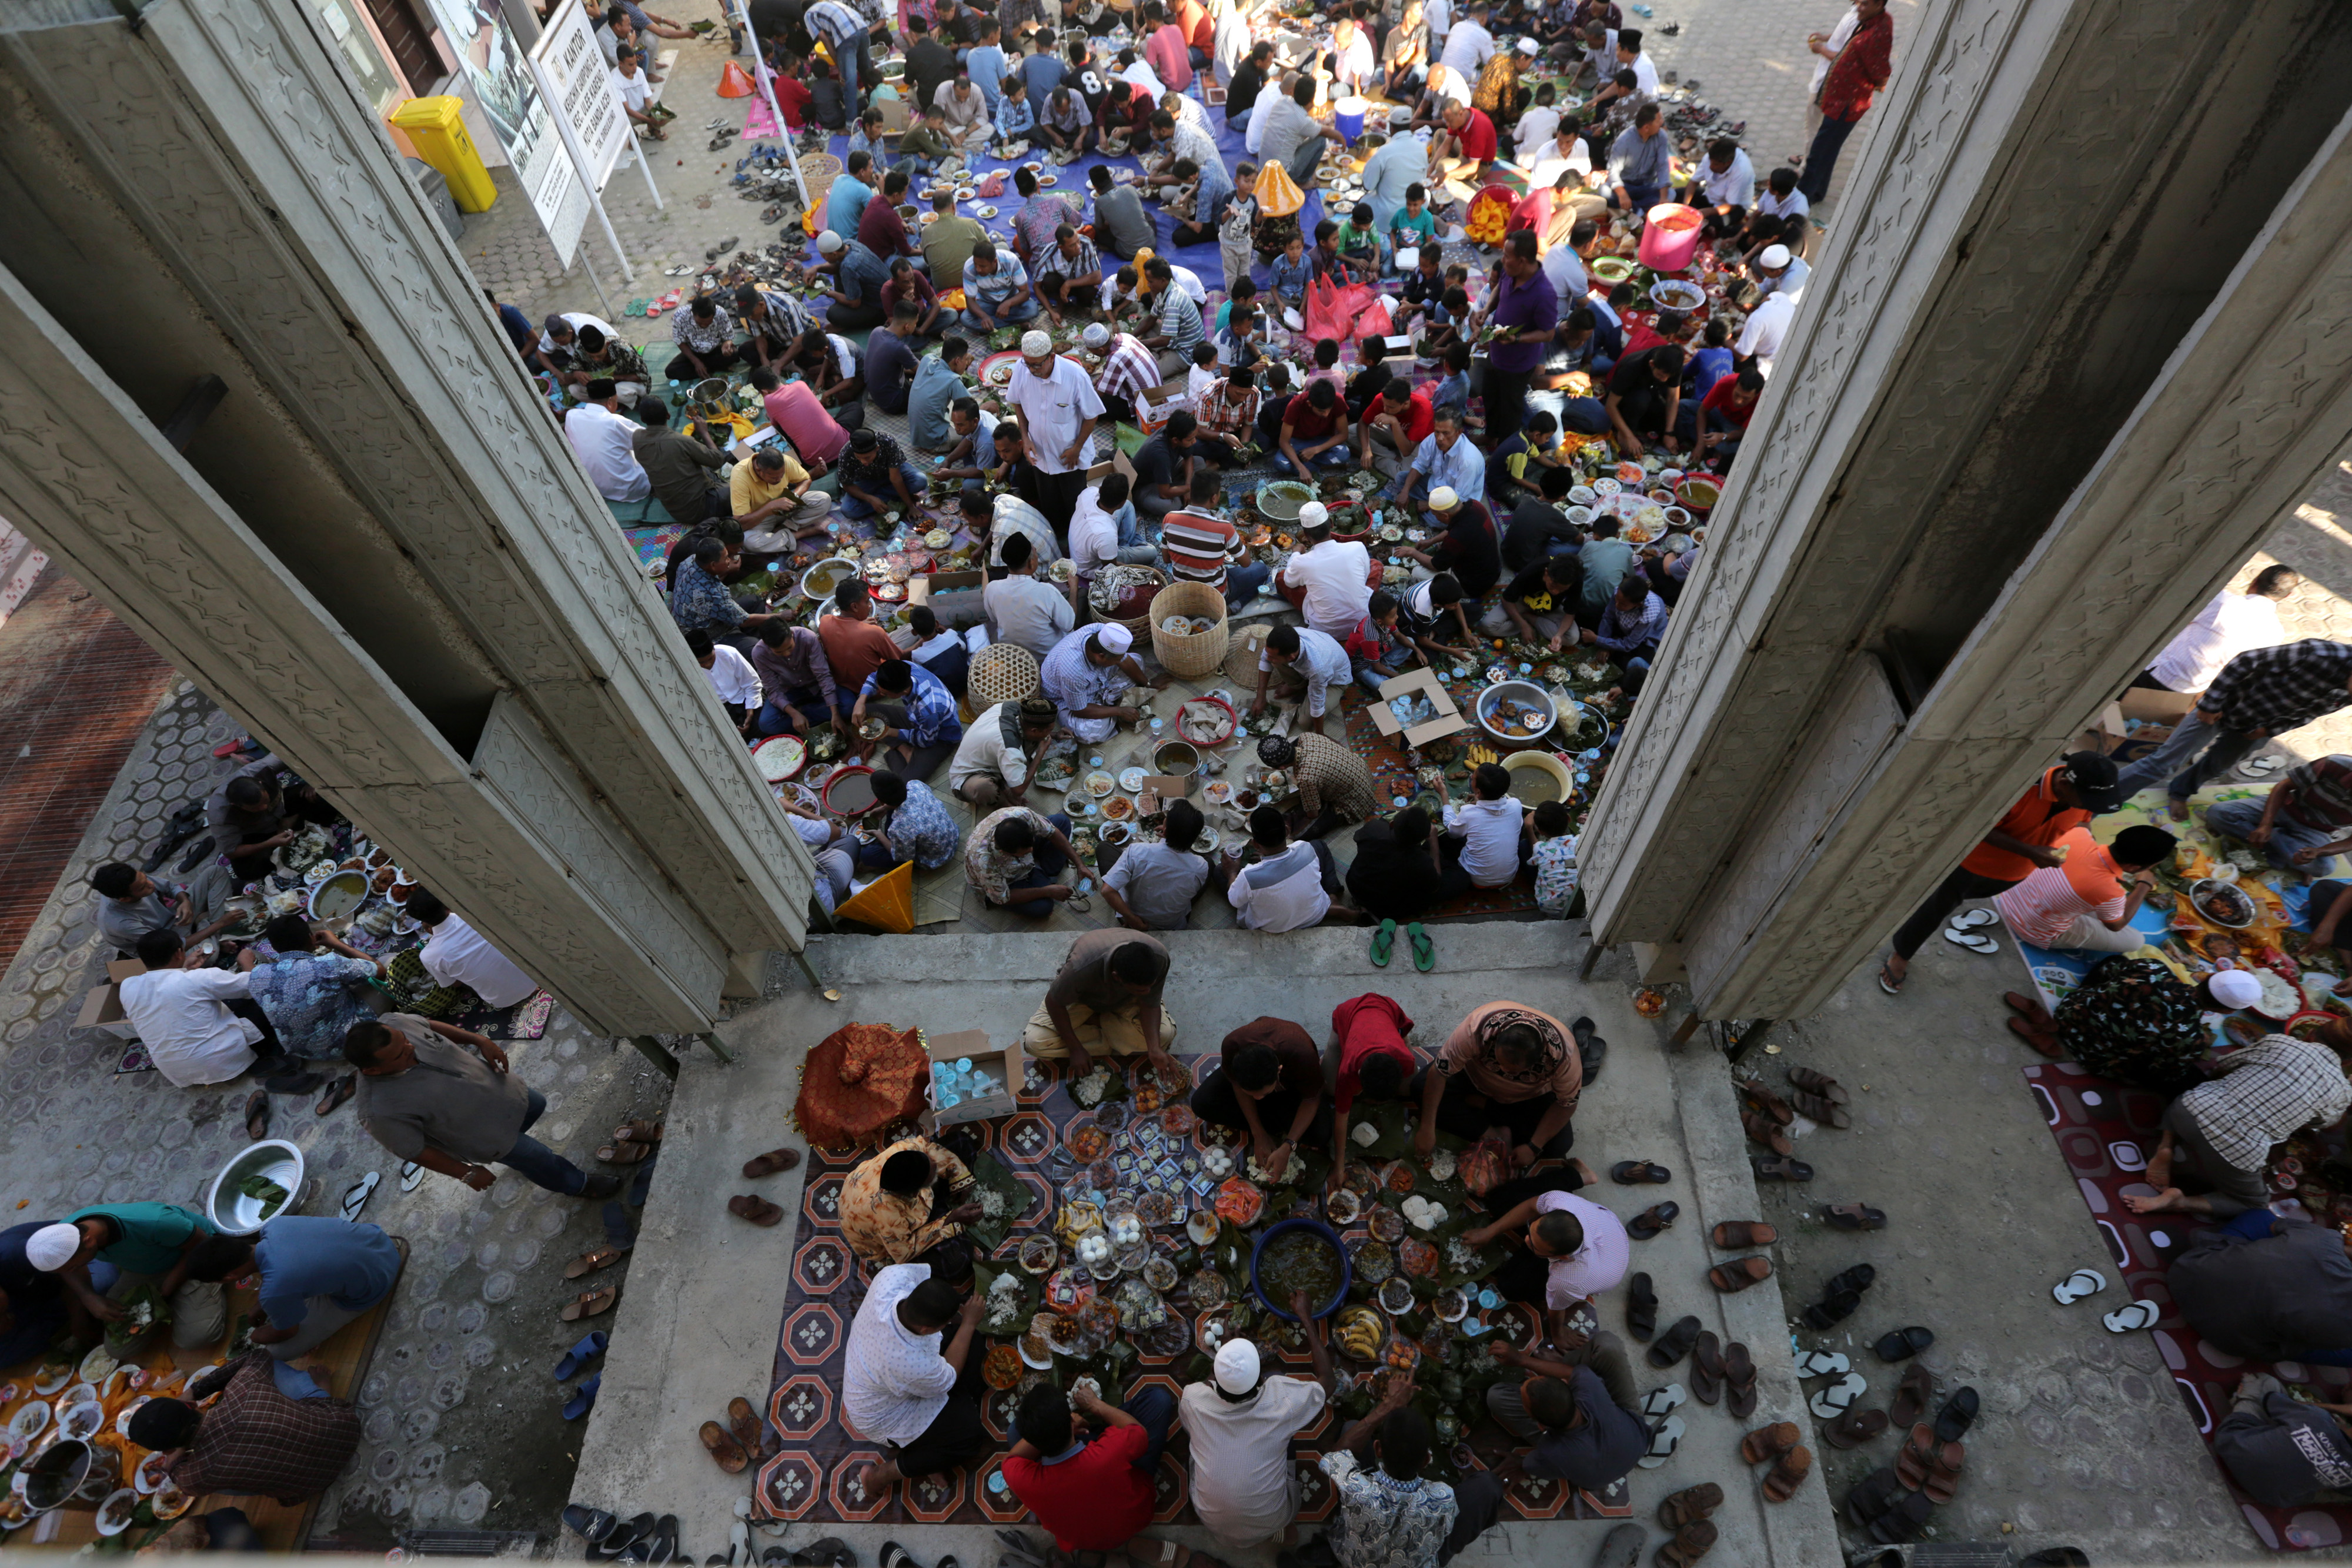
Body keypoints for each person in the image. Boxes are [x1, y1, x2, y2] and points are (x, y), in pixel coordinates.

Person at [1879, 752, 2123, 994]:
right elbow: (1978, 827)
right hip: (1969, 867)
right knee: (1934, 910)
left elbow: (2084, 820)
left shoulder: (2080, 802)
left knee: (1949, 902)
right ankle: (1901, 956)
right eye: (2087, 800)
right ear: (2064, 784)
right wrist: (2030, 851)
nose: (2089, 808)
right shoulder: (2019, 786)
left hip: (2014, 874)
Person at [344, 1011, 619, 1199]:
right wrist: (465, 1173)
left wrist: (480, 1039)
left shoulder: (394, 1022)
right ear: (373, 1071)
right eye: (400, 1055)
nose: (411, 1049)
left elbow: (427, 1025)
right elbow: (416, 1151)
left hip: (500, 1091)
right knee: (539, 1157)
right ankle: (579, 1186)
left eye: (405, 1041)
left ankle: (526, 1162)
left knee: (536, 1105)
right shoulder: (378, 1110)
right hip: (484, 1137)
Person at [2125, 1034, 2352, 1221]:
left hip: (2190, 1110)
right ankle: (2181, 1201)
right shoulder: (2343, 1091)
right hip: (2238, 1150)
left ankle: (2167, 1145)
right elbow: (2321, 1124)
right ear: (2347, 1063)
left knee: (2193, 1098)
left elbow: (2225, 1064)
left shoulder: (2281, 1041)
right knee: (2255, 1203)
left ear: (2311, 1035)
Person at [2117, 639, 2352, 818]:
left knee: (2217, 766)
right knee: (2164, 763)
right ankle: (2101, 797)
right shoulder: (2317, 653)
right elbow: (2245, 661)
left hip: (2260, 725)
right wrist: (2210, 704)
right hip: (2224, 707)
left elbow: (2315, 713)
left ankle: (2179, 791)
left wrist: (2271, 730)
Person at [128, 1351, 361, 1505]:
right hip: (344, 1428)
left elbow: (177, 1477)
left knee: (226, 1484)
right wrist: (195, 1391)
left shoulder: (195, 1476)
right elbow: (259, 1356)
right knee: (276, 1370)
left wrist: (175, 1455)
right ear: (189, 1406)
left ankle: (315, 1395)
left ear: (166, 1451)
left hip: (311, 1485)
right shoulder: (244, 1389)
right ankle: (319, 1390)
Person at [1180, 1329, 1333, 1552]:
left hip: (1209, 1518)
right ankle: (1274, 1531)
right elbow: (1328, 1382)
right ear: (1262, 1379)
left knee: (1198, 1440)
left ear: (1214, 1377)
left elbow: (1204, 1390)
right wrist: (1307, 1318)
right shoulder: (1280, 1402)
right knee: (1287, 1436)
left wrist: (1227, 1360)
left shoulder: (1193, 1400)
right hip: (1274, 1519)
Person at [2005, 962, 2261, 1094]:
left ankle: (2058, 1021)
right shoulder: (2190, 1037)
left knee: (2116, 962)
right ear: (2227, 1011)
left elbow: (2109, 970)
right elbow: (2163, 1072)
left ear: (2206, 977)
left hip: (2071, 1011)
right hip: (2092, 1056)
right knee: (2188, 1079)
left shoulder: (2153, 968)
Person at [1322, 1388, 1507, 1568]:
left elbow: (1337, 1454)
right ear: (1427, 1460)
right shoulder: (1444, 1497)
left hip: (1354, 1561)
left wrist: (1386, 1406)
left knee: (1351, 1428)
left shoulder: (1357, 1489)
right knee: (1488, 1487)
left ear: (1378, 1449)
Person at [843, 1264, 987, 1496]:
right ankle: (881, 1475)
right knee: (969, 1438)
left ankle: (931, 1444)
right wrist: (969, 1322)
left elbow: (927, 1278)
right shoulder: (909, 1362)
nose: (948, 1325)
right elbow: (948, 1377)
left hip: (881, 1374)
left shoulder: (893, 1278)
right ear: (925, 1329)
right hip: (883, 1416)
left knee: (974, 1345)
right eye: (944, 1324)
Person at [183, 1218, 402, 1359]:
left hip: (376, 1283)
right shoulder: (275, 1225)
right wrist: (263, 1305)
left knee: (277, 1352)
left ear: (230, 1276)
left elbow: (287, 1332)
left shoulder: (275, 1291)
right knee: (299, 1283)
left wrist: (256, 1337)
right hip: (380, 1242)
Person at [1003, 1378, 1178, 1552]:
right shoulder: (1109, 1452)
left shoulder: (1023, 1479)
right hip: (1137, 1516)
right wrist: (1094, 1404)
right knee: (1159, 1399)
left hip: (1083, 1543)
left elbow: (1010, 1460)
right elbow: (1137, 1432)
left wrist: (1044, 1429)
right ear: (1072, 1421)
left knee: (1013, 1432)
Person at [23, 1203, 228, 1348]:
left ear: (89, 1242)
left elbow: (203, 1244)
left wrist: (166, 1290)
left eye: (72, 1267)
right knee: (116, 1347)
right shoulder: (65, 1233)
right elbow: (70, 1272)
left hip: (192, 1259)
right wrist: (88, 1297)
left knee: (196, 1339)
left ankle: (206, 1291)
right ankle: (169, 1311)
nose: (71, 1272)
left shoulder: (154, 1222)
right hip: (142, 1269)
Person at [2170, 1209, 2352, 1365]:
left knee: (2261, 1216)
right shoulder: (2346, 1333)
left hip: (2186, 1274)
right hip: (2225, 1338)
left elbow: (2274, 1227)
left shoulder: (2325, 1239)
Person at [1413, 1001, 1582, 1164]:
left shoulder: (1564, 1058)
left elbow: (1567, 1104)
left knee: (1560, 1145)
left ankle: (1485, 1108)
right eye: (1498, 1063)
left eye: (1514, 1072)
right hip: (1474, 1081)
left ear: (1539, 1060)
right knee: (1420, 1087)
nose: (1504, 1073)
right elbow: (1440, 1072)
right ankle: (1490, 1130)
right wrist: (1427, 1128)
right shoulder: (1477, 1029)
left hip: (1526, 1097)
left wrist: (1534, 1147)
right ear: (1495, 1041)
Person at [120, 927, 279, 1090]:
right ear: (179, 953)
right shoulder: (198, 978)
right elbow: (257, 985)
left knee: (214, 1003)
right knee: (267, 998)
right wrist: (246, 961)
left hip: (178, 1072)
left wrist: (184, 970)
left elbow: (169, 997)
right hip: (224, 1060)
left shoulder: (127, 986)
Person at [1482, 1336, 1647, 1492]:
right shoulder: (1589, 1387)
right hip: (1636, 1437)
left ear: (1541, 1426)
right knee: (1608, 1343)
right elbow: (1573, 1373)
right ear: (1567, 1386)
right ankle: (1561, 1363)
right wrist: (1520, 1359)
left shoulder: (1549, 1453)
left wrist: (1520, 1464)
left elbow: (1527, 1465)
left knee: (1496, 1397)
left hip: (1599, 1474)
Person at [1990, 823, 2174, 955]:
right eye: (2152, 866)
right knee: (2136, 940)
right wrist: (2144, 885)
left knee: (2094, 902)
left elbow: (2085, 827)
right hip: (2031, 928)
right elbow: (2117, 926)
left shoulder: (2078, 833)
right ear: (2134, 868)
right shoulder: (2110, 892)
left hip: (2007, 896)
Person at [1022, 928, 1176, 1075]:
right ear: (1117, 978)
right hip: (1084, 1000)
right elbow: (1054, 1003)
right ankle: (1114, 1037)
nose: (1148, 992)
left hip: (1126, 1001)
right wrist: (1075, 1049)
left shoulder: (1159, 958)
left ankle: (1096, 1029)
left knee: (1163, 1038)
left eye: (1150, 987)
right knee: (1035, 1043)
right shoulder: (1080, 968)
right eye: (1141, 990)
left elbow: (1149, 1004)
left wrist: (1154, 1049)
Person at [244, 913, 382, 1073]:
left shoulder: (257, 976)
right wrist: (336, 943)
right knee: (386, 961)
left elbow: (254, 975)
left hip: (305, 1052)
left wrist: (245, 960)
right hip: (349, 1044)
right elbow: (379, 969)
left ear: (274, 948)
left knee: (338, 986)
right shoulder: (328, 963)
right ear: (312, 939)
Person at [1467, 1183, 1627, 1314]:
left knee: (1510, 1287)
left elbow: (1556, 1309)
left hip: (1609, 1265)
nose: (1526, 1239)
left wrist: (1558, 1335)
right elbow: (1531, 1207)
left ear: (1562, 1258)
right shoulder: (1560, 1201)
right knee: (1499, 1199)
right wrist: (1490, 1231)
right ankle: (1577, 1177)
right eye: (1531, 1230)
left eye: (1534, 1246)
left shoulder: (1568, 1279)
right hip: (1610, 1227)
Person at [2142, 565, 2298, 697]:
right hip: (2190, 690)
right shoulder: (2276, 634)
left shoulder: (2221, 601)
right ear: (2288, 595)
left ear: (2255, 581)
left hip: (2156, 671)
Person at [1796, 0, 1890, 204]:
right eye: (1859, 3)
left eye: (1865, 4)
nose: (1859, 7)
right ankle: (1818, 192)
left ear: (1879, 5)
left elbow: (1881, 72)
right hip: (1838, 96)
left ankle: (1800, 199)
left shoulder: (1874, 34)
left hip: (1848, 103)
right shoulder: (1871, 20)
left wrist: (1880, 84)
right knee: (1828, 149)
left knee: (1819, 152)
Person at [1008, 329, 1105, 520]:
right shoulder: (1022, 368)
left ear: (1051, 357)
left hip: (1069, 457)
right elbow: (1016, 401)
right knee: (1050, 505)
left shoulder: (1075, 375)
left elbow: (1092, 415)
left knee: (1075, 507)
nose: (1031, 370)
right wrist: (1025, 438)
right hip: (1041, 455)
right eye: (1027, 364)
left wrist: (1077, 448)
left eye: (1036, 365)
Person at [2214, 1374, 2352, 1507]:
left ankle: (2243, 1400)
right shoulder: (2319, 1419)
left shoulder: (2318, 1417)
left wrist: (2315, 1411)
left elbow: (2271, 1400)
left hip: (2232, 1446)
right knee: (2344, 1493)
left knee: (2264, 1382)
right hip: (2269, 1495)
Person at [840, 1134, 979, 1263]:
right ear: (914, 1193)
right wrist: (950, 1219)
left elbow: (927, 1148)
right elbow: (904, 1253)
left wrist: (959, 1175)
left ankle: (940, 1205)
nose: (936, 1165)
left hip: (915, 1199)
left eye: (931, 1162)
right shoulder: (889, 1218)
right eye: (933, 1174)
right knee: (958, 1259)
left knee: (962, 1141)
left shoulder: (903, 1150)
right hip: (891, 1238)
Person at [1227, 804, 1361, 931]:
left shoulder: (1248, 876)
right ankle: (1332, 899)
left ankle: (1330, 904)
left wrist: (1232, 872)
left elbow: (1235, 901)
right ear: (1286, 831)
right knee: (1319, 845)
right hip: (1314, 914)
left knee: (1220, 873)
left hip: (1274, 929)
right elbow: (1287, 854)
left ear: (1256, 845)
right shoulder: (1305, 848)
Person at [405, 888, 539, 1011]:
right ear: (446, 904)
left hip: (504, 1000)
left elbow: (454, 984)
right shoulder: (476, 913)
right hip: (538, 976)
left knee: (462, 976)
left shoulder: (429, 956)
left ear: (422, 922)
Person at [1101, 798, 1214, 930]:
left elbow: (1107, 891)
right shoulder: (1200, 867)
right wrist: (1174, 836)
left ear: (1165, 832)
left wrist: (1132, 919)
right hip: (1171, 926)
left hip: (1134, 922)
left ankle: (1128, 916)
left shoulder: (1137, 851)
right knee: (1210, 863)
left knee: (1104, 848)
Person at [1039, 623, 1160, 744]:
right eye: (1117, 660)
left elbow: (1125, 661)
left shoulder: (1102, 631)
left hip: (1095, 682)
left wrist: (1148, 684)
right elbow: (1079, 710)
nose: (1120, 661)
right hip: (1068, 701)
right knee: (1089, 734)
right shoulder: (1072, 671)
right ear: (1102, 657)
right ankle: (1113, 708)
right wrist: (1120, 711)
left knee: (1137, 661)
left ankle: (1108, 706)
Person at [89, 859, 235, 958]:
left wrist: (185, 901)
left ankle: (212, 932)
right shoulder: (121, 923)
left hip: (176, 920)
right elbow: (171, 946)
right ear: (125, 899)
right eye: (143, 887)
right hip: (163, 948)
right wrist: (220, 923)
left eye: (145, 878)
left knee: (215, 872)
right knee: (209, 957)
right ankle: (213, 928)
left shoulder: (133, 880)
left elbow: (170, 887)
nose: (150, 884)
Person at [965, 804, 1087, 918]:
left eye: (1031, 846)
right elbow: (1003, 898)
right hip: (1007, 881)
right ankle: (1043, 880)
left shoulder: (1021, 815)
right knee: (1043, 908)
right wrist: (1046, 891)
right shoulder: (984, 863)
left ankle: (1048, 873)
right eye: (1025, 852)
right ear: (1006, 853)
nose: (1031, 851)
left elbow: (1052, 832)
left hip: (1019, 855)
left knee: (1062, 821)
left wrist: (1080, 865)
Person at [852, 658, 964, 780]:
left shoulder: (929, 710)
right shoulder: (907, 668)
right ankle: (904, 749)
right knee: (866, 710)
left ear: (903, 691)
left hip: (940, 737)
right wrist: (860, 701)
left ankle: (899, 751)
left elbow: (926, 740)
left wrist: (890, 732)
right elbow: (875, 677)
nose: (881, 694)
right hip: (915, 718)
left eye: (885, 693)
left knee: (905, 783)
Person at [1277, 506, 1375, 637]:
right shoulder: (1357, 547)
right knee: (1376, 565)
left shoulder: (1302, 562)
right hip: (1361, 622)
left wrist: (1295, 554)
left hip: (1327, 629)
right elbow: (1364, 576)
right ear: (1332, 524)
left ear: (1306, 535)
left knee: (1281, 577)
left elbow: (1289, 582)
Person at [1259, 731, 1378, 841]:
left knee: (1299, 833)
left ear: (1282, 768)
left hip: (1357, 800)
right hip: (1363, 772)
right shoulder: (1306, 737)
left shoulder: (1306, 778)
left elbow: (1313, 814)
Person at [1346, 808, 1447, 928]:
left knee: (1387, 814)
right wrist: (1434, 842)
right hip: (1385, 908)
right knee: (1459, 878)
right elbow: (1435, 886)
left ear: (1392, 824)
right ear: (1427, 837)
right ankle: (1374, 913)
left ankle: (1363, 906)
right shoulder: (1421, 863)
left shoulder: (1373, 828)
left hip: (1356, 886)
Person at [1439, 763, 1527, 897]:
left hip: (1475, 879)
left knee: (1442, 824)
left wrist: (1444, 795)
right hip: (1508, 878)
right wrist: (1480, 801)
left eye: (1473, 778)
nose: (1471, 778)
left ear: (1479, 791)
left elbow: (1452, 832)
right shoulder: (1516, 805)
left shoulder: (1468, 812)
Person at [983, 534, 1075, 661]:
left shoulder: (991, 588)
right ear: (1032, 563)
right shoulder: (1047, 592)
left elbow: (993, 619)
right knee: (1077, 606)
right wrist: (1074, 589)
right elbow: (1069, 625)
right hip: (1048, 658)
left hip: (1014, 657)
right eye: (1035, 553)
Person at [1250, 624, 1352, 737]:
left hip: (1334, 682)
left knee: (1305, 722)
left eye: (1272, 656)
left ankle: (1308, 688)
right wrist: (1260, 697)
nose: (1267, 658)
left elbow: (1317, 703)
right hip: (1313, 670)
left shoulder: (1317, 668)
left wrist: (1320, 734)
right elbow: (1265, 659)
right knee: (1274, 661)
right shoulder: (1285, 640)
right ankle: (1298, 685)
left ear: (1291, 658)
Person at [563, 380, 652, 504]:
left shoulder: (571, 416)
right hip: (631, 488)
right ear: (610, 402)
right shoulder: (614, 421)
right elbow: (651, 440)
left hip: (596, 487)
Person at [751, 621, 844, 737]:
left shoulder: (807, 638)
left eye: (790, 648)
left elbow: (823, 675)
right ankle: (810, 714)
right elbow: (773, 689)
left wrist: (835, 713)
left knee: (848, 706)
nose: (786, 654)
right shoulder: (759, 653)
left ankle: (805, 713)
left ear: (792, 634)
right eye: (779, 652)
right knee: (767, 724)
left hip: (816, 686)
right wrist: (794, 714)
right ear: (766, 645)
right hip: (789, 690)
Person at [818, 577, 907, 697]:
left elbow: (847, 634)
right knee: (910, 629)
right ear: (854, 607)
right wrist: (921, 643)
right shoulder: (874, 633)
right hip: (876, 691)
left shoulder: (824, 622)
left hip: (848, 686)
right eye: (867, 601)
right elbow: (898, 660)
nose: (870, 606)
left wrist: (860, 625)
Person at [1586, 571, 1668, 690]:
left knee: (1630, 668)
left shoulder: (1649, 613)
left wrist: (1598, 640)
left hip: (1645, 640)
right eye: (1617, 600)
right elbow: (1608, 617)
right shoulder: (1620, 594)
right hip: (1625, 628)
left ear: (1638, 605)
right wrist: (1604, 645)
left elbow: (1630, 644)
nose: (1618, 605)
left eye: (1623, 604)